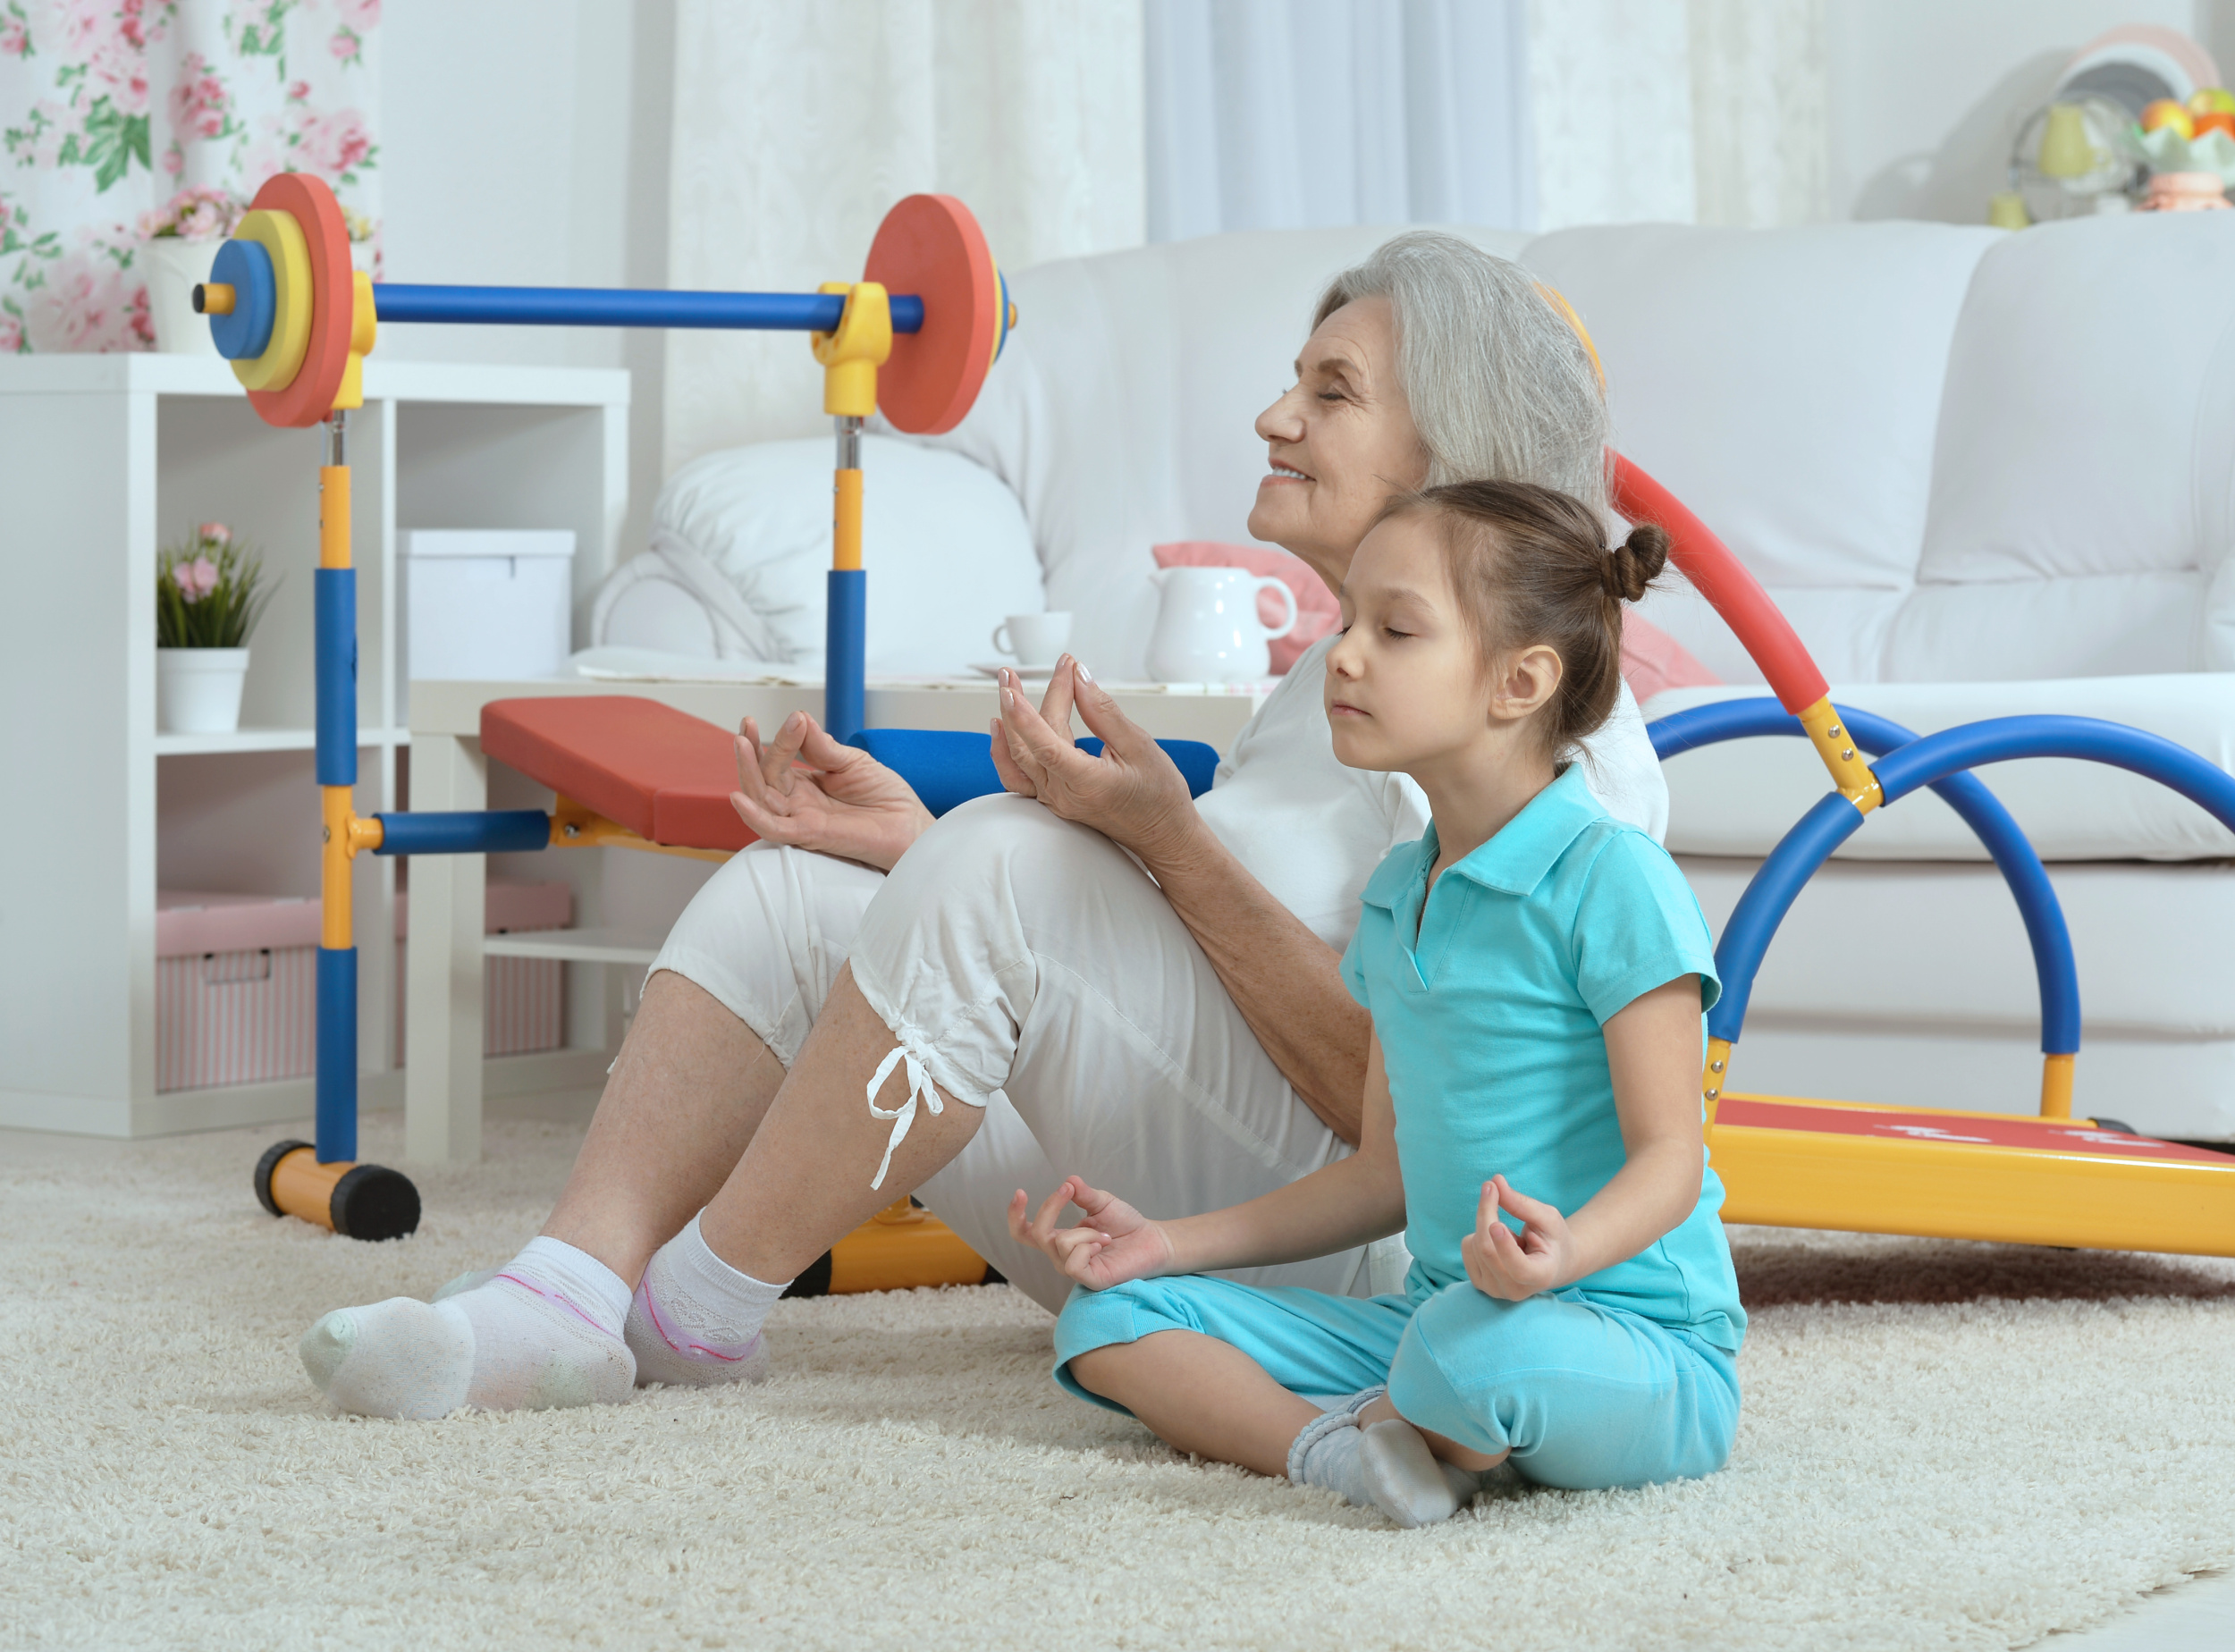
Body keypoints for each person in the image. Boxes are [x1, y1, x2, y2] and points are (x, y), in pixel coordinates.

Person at [297, 234, 1675, 1420]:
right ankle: (569, 1293)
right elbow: (1149, 968)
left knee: (1001, 852)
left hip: (1355, 1261)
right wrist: (921, 860)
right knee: (798, 890)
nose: (1273, 417)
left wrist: (1158, 845)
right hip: (1139, 1217)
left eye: (1332, 392)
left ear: (1460, 450)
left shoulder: (1549, 738)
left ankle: (695, 1311)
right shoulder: (1333, 683)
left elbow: (1425, 1116)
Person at [1010, 481, 1743, 1526]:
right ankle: (1341, 1454)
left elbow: (1673, 1160)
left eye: (1394, 630)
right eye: (1348, 620)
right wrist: (1166, 1244)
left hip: (1640, 1345)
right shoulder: (1401, 894)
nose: (1342, 653)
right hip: (1443, 1317)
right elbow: (1383, 1177)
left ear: (1519, 682)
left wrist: (1563, 1257)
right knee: (1109, 1316)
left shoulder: (1612, 879)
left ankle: (1410, 1415)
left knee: (1466, 1352)